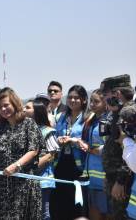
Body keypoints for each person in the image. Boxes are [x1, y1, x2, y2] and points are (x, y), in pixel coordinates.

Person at [0, 88, 42, 220]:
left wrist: (16, 165)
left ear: (15, 103)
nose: (3, 109)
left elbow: (33, 150)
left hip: (23, 184)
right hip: (0, 185)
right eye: (0, 107)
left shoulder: (28, 123)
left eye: (6, 105)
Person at [51, 85, 89, 220]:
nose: (72, 100)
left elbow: (88, 143)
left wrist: (73, 140)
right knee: (60, 201)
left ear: (84, 100)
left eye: (76, 98)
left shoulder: (88, 119)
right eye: (70, 97)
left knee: (77, 203)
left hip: (79, 166)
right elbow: (55, 136)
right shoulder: (62, 117)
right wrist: (59, 140)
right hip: (61, 163)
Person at [100, 74, 134, 219]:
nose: (103, 98)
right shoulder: (117, 112)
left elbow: (132, 150)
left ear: (117, 93)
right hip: (113, 178)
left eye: (104, 94)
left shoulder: (129, 113)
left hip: (123, 182)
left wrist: (120, 181)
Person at [78, 89, 110, 220]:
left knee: (108, 214)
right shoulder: (92, 121)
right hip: (92, 179)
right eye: (91, 101)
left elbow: (109, 148)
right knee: (94, 213)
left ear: (105, 103)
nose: (92, 104)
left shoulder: (108, 121)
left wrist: (89, 149)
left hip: (105, 179)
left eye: (96, 101)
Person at [31, 98, 60, 220]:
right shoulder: (28, 129)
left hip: (43, 180)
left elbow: (52, 154)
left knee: (43, 213)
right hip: (29, 180)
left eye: (28, 108)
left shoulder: (48, 131)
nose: (22, 110)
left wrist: (33, 167)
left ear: (37, 112)